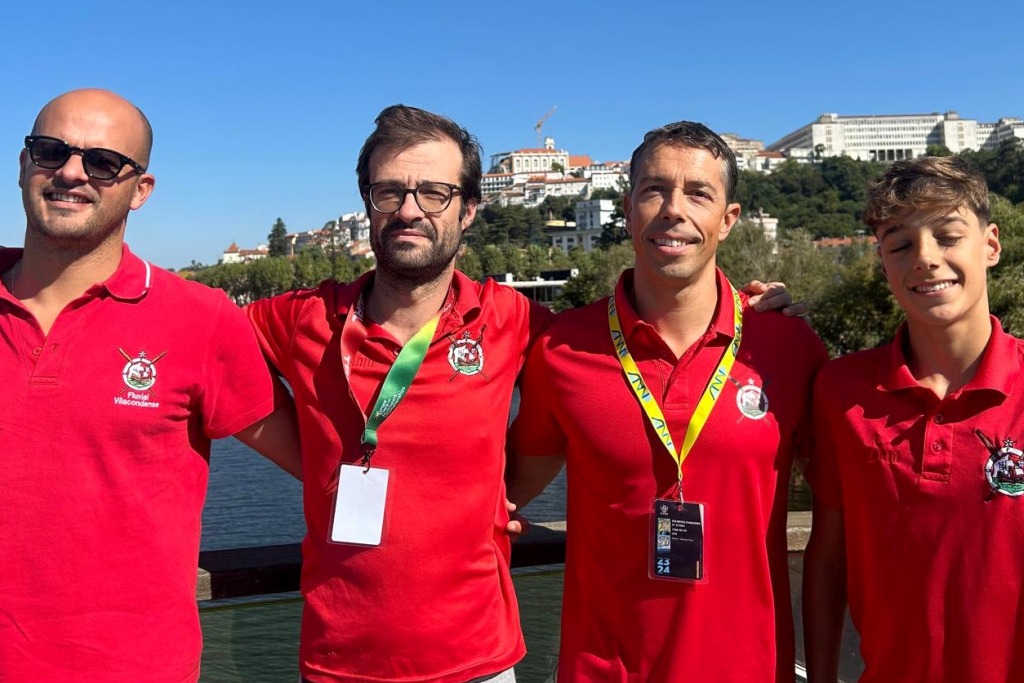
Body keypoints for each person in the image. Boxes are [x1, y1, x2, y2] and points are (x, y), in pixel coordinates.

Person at [246, 106, 800, 683]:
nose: (410, 210)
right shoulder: (300, 317)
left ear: (468, 209)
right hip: (338, 662)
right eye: (390, 191)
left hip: (479, 660)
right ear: (367, 202)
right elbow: (203, 362)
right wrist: (317, 461)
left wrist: (767, 315)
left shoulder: (524, 324)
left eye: (434, 192)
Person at [507, 121, 827, 682]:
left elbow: (856, 508)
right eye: (654, 190)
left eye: (698, 193)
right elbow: (500, 489)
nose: (673, 210)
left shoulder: (788, 346)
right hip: (603, 670)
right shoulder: (561, 348)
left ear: (728, 220)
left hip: (751, 668)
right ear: (628, 209)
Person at [0, 89, 300, 682]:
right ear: (22, 163)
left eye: (103, 162)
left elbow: (322, 462)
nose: (69, 172)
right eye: (49, 150)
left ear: (142, 190)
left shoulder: (202, 319)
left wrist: (474, 502)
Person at [803, 156, 1019, 683]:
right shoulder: (842, 392)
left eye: (947, 236)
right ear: (883, 263)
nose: (925, 259)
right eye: (900, 245)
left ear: (990, 245)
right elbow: (829, 560)